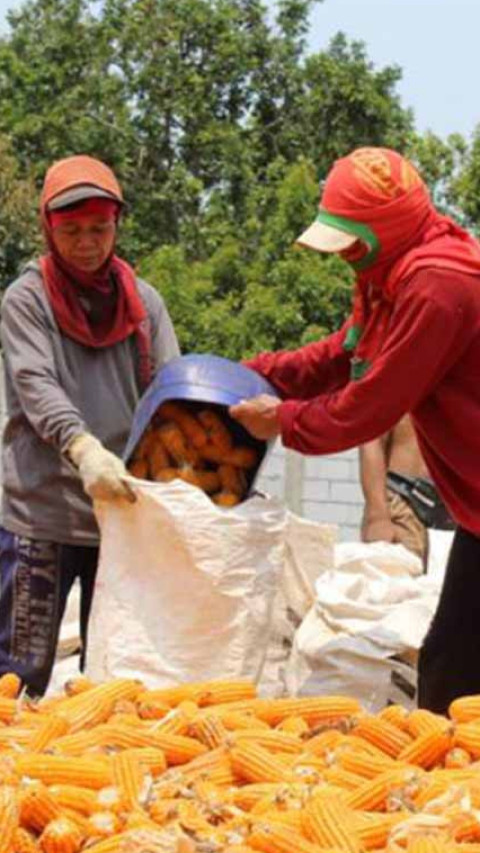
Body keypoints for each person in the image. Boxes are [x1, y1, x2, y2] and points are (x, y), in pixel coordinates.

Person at [230, 146, 480, 714]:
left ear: (385, 230)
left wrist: (282, 420)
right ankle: (453, 797)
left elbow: (369, 405)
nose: (342, 255)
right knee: (450, 671)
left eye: (349, 241)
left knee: (452, 671)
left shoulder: (439, 286)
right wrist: (259, 371)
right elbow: (342, 357)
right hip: (475, 511)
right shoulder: (386, 278)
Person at [0, 154, 179, 696]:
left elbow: (168, 388)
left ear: (117, 227)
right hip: (42, 511)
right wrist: (83, 448)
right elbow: (37, 387)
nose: (87, 243)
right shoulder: (26, 300)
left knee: (109, 677)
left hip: (118, 513)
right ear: (48, 230)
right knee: (17, 674)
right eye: (72, 230)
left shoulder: (143, 303)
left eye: (100, 229)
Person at [360, 415, 453, 568]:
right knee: (396, 586)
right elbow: (371, 438)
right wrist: (377, 517)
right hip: (402, 500)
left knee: (460, 589)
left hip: (459, 508)